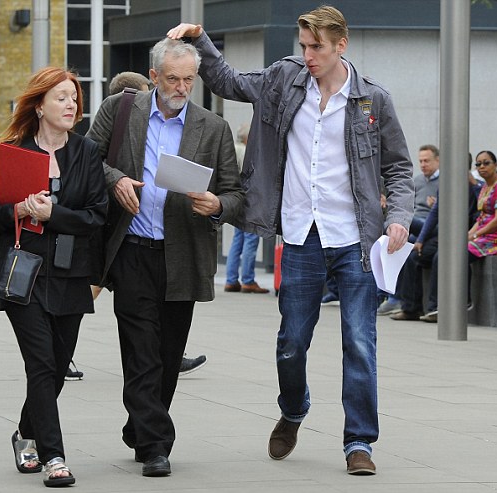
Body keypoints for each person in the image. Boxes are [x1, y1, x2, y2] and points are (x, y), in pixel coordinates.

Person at [168, 4, 414, 475]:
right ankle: (294, 407)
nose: (308, 54)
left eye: (316, 47)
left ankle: (359, 442)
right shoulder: (285, 80)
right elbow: (229, 82)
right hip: (301, 235)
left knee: (360, 343)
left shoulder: (372, 102)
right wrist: (200, 39)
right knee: (290, 342)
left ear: (342, 45)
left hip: (356, 242)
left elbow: (399, 168)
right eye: (303, 45)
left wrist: (398, 216)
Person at [87, 37, 243, 477]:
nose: (181, 87)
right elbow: (86, 160)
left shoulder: (213, 128)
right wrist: (116, 179)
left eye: (188, 80)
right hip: (132, 249)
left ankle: (140, 428)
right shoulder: (120, 110)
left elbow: (236, 194)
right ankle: (157, 444)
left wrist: (217, 205)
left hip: (183, 254)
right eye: (172, 79)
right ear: (153, 76)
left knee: (169, 354)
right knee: (141, 352)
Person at [0, 67, 108, 488]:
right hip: (24, 274)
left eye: (75, 98)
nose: (72, 105)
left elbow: (96, 216)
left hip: (72, 274)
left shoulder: (87, 153)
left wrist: (55, 214)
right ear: (38, 105)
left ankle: (25, 433)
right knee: (41, 364)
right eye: (62, 98)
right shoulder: (14, 151)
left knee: (55, 370)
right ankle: (55, 458)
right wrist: (17, 210)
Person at [391, 154, 482, 322]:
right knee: (413, 256)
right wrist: (420, 240)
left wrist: (474, 185)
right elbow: (434, 215)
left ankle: (435, 308)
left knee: (440, 258)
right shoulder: (446, 186)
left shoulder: (477, 186)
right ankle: (411, 308)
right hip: (443, 235)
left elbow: (481, 214)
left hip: (466, 236)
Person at [377, 144, 440, 315]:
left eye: (427, 160)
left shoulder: (445, 182)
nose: (423, 164)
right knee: (395, 245)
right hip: (416, 229)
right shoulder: (417, 181)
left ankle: (395, 299)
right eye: (420, 161)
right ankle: (390, 297)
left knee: (396, 225)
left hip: (434, 228)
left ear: (438, 160)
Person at [224, 123, 269, 294]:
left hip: (236, 199)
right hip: (251, 200)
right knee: (251, 238)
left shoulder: (233, 149)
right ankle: (248, 280)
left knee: (238, 239)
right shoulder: (247, 151)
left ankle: (231, 279)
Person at [467, 150, 497, 263]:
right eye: (478, 164)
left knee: (460, 255)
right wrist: (468, 234)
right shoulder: (485, 187)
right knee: (447, 253)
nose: (482, 166)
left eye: (486, 163)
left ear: (496, 165)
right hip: (484, 236)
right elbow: (482, 218)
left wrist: (475, 235)